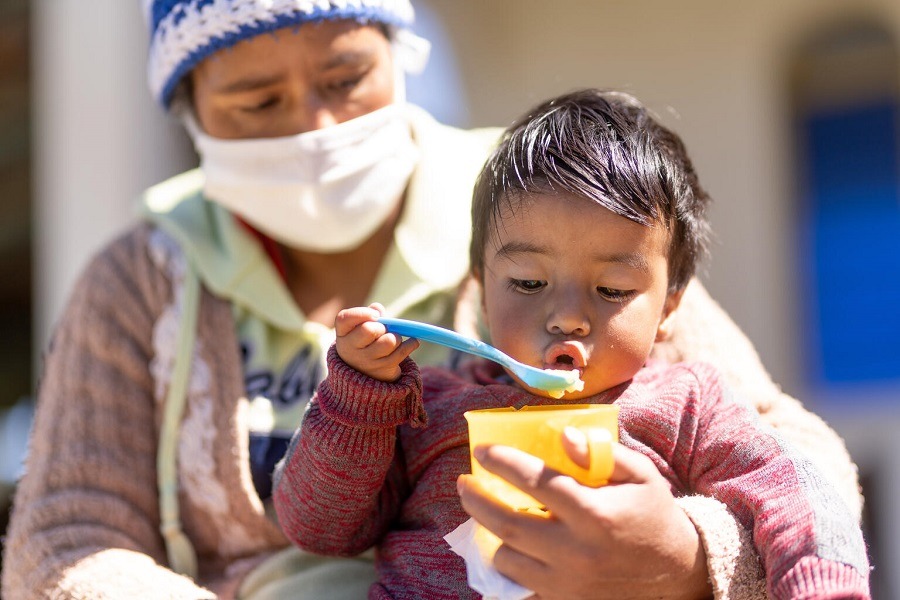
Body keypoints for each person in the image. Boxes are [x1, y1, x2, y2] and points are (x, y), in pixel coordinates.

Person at [0, 1, 861, 599]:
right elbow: (65, 547)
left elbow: (793, 460)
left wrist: (683, 558)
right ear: (189, 111)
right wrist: (354, 402)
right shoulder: (139, 281)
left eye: (346, 77)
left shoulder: (553, 205)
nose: (318, 127)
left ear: (399, 52)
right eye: (258, 101)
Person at [272, 89, 870, 599]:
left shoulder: (689, 405)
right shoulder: (420, 406)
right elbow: (318, 529)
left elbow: (799, 496)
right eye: (529, 283)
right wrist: (357, 397)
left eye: (611, 290)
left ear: (669, 309)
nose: (567, 317)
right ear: (480, 290)